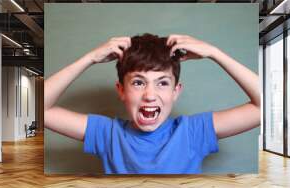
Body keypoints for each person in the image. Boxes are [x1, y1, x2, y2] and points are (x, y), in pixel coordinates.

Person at [44, 33, 260, 174]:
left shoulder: (193, 132)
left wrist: (214, 53)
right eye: (138, 82)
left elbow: (262, 107)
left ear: (176, 92)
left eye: (162, 83)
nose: (150, 95)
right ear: (121, 90)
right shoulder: (107, 133)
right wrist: (89, 58)